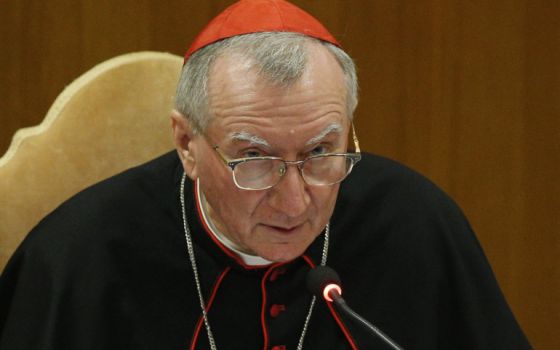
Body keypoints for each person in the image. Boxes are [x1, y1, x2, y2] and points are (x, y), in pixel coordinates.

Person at [0, 0, 531, 349]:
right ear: (187, 144)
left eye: (323, 151)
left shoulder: (417, 225)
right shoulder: (79, 257)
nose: (295, 202)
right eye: (256, 159)